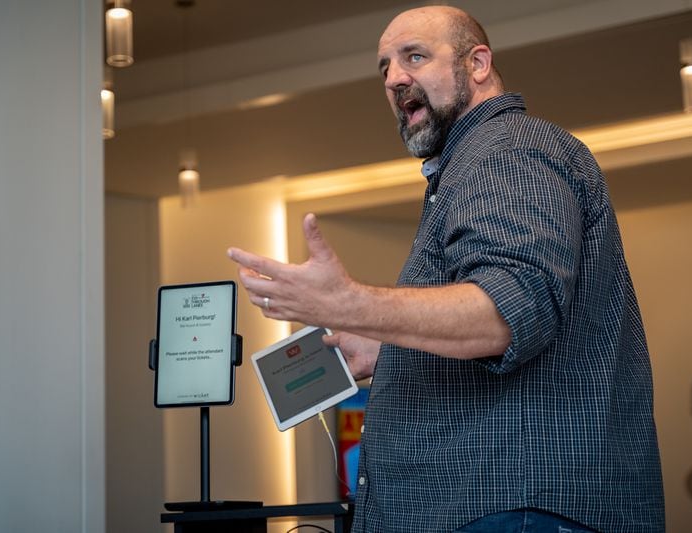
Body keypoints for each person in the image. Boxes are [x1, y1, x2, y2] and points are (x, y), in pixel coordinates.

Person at [228, 5, 664, 532]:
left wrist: (352, 305)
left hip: (513, 513)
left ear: (478, 63)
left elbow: (506, 312)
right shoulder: (472, 167)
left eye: (414, 56)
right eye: (384, 67)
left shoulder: (510, 151)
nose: (394, 78)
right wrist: (389, 349)